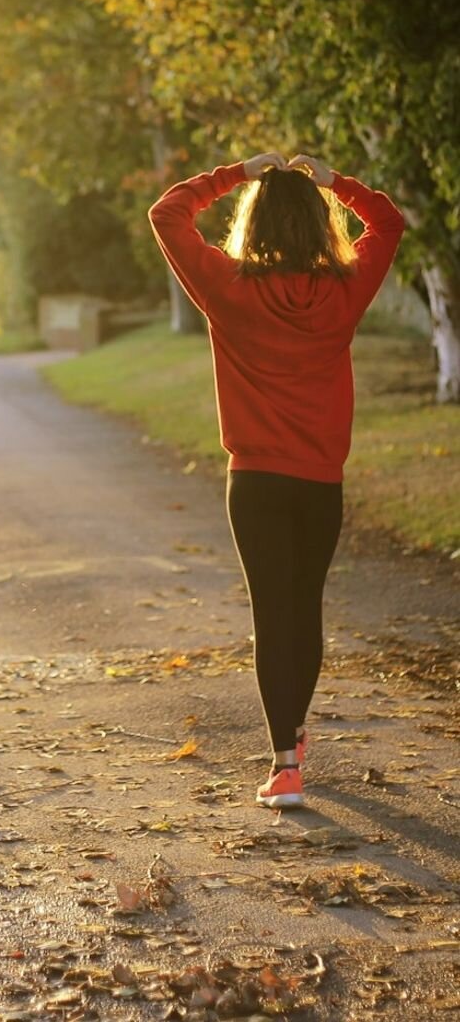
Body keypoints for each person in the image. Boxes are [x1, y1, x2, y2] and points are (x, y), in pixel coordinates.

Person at [148, 151, 406, 809]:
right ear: (320, 226)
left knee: (273, 614)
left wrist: (237, 173)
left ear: (254, 224)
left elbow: (167, 212)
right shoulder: (345, 290)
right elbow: (389, 221)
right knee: (305, 609)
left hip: (256, 482)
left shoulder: (227, 287)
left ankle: (285, 763)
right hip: (320, 482)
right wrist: (335, 183)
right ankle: (291, 737)